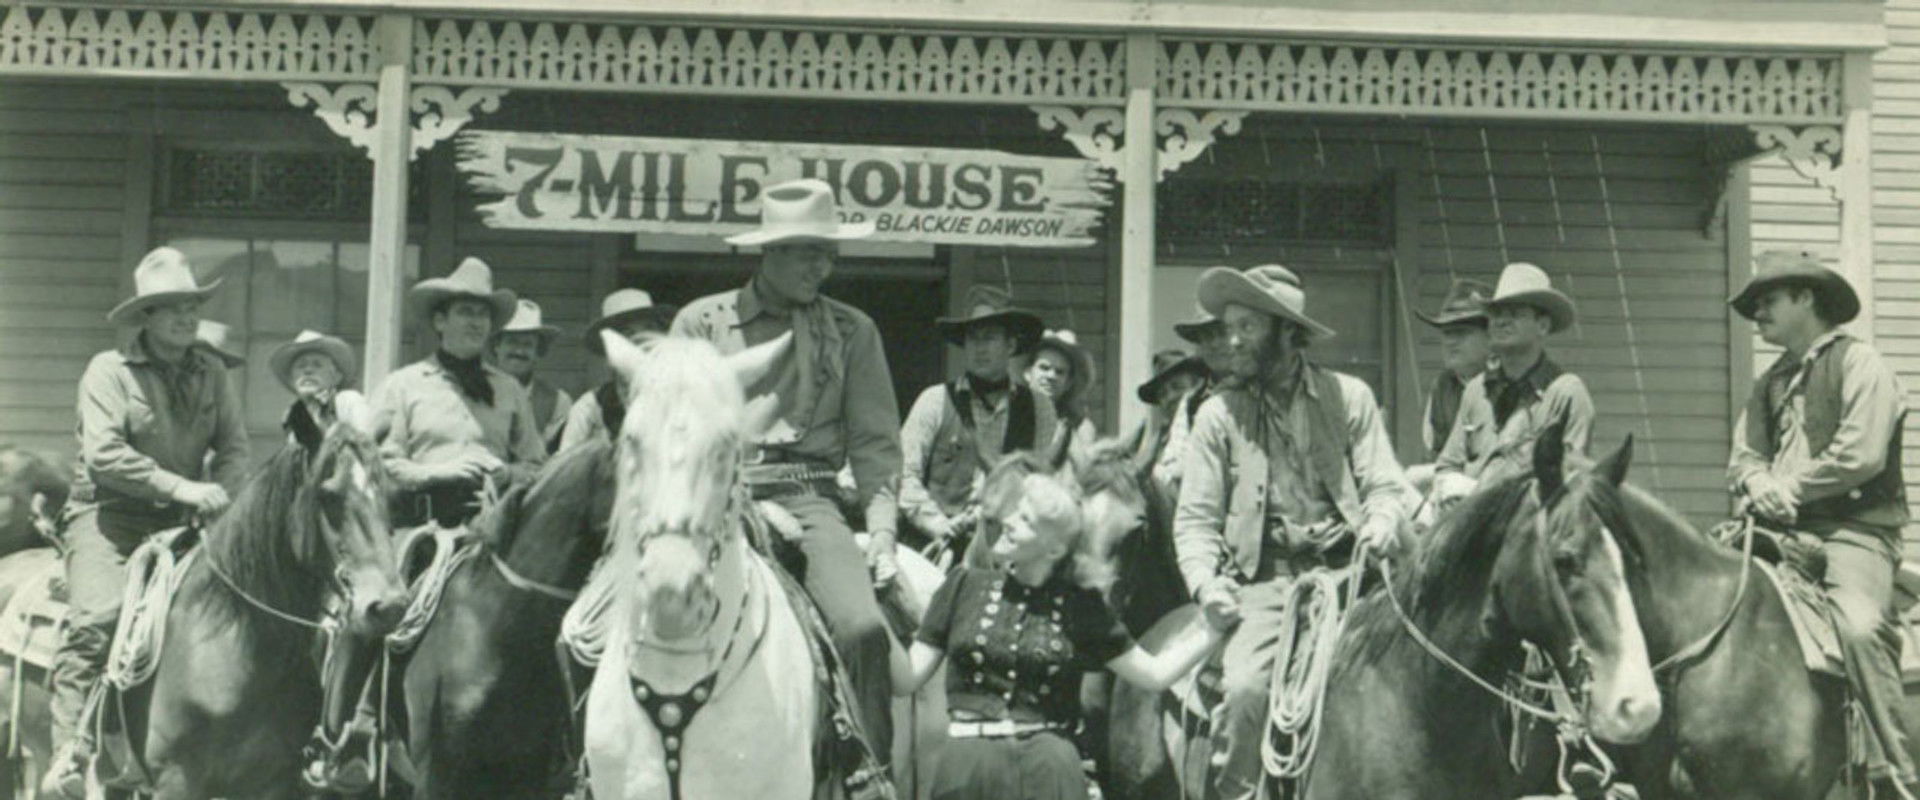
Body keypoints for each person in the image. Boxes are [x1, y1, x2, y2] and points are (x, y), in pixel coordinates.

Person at [671, 177, 903, 763]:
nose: (822, 267)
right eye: (807, 252)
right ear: (769, 251)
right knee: (617, 616)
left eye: (828, 253)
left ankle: (869, 774)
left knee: (862, 630)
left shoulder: (853, 330)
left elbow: (875, 442)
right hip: (712, 495)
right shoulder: (701, 323)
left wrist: (881, 531)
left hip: (809, 496)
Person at [1171, 264, 1416, 800]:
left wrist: (1380, 522)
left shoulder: (1349, 397)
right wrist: (1206, 585)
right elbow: (1195, 522)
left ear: (1286, 332)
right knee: (1245, 691)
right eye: (1229, 326)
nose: (1231, 340)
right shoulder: (1217, 415)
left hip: (1354, 575)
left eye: (1247, 327)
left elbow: (1384, 484)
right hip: (1266, 582)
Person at [44, 247, 251, 798]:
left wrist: (222, 496)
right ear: (146, 316)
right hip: (108, 517)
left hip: (184, 520)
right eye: (173, 306)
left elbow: (234, 448)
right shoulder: (108, 371)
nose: (186, 316)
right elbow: (105, 455)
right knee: (101, 616)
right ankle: (70, 749)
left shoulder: (212, 372)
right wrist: (182, 486)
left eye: (192, 305)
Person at [891, 458, 1224, 800]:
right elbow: (906, 679)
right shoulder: (962, 586)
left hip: (1049, 773)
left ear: (1054, 548)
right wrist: (872, 613)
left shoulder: (1082, 608)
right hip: (967, 770)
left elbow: (1154, 674)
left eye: (1025, 519)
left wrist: (1214, 627)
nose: (1008, 522)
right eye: (1015, 512)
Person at [1727, 250, 1915, 798]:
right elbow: (1744, 457)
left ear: (1806, 298)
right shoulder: (1770, 382)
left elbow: (1860, 454)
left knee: (1858, 626)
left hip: (1851, 532)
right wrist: (1757, 482)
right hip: (1775, 531)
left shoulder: (1860, 363)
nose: (1758, 314)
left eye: (1768, 301)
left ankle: (1895, 772)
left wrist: (1789, 487)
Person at [370, 257, 546, 529]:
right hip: (420, 527)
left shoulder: (509, 389)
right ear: (440, 321)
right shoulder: (402, 385)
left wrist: (506, 473)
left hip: (494, 529)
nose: (477, 322)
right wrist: (437, 473)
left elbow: (536, 466)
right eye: (466, 312)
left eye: (483, 314)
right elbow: (380, 464)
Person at [899, 285, 1055, 558]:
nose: (979, 348)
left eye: (989, 338)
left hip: (1007, 547)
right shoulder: (935, 400)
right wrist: (939, 526)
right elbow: (903, 475)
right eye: (972, 338)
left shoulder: (1039, 407)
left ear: (1010, 345)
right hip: (936, 547)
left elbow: (1043, 482)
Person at [1430, 262, 1593, 509]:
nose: (1501, 321)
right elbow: (1447, 466)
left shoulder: (1565, 394)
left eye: (1515, 313)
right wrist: (1450, 486)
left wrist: (1477, 493)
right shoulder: (1477, 390)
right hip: (1466, 523)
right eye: (1496, 313)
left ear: (1542, 325)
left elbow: (1567, 485)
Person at [556, 288, 677, 452]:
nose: (640, 342)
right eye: (628, 334)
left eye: (648, 331)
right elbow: (566, 463)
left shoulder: (679, 400)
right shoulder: (592, 407)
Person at [1405, 279, 1492, 492]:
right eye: (1446, 333)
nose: (1450, 341)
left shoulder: (1505, 383)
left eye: (1461, 332)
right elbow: (1435, 454)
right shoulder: (1443, 387)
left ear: (1490, 336)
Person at [1151, 302, 1231, 496]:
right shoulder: (1192, 403)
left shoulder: (1257, 389)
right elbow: (1175, 460)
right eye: (1206, 337)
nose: (1214, 344)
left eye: (1221, 334)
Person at [490, 298, 572, 452]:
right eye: (512, 342)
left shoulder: (557, 401)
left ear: (537, 351)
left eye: (527, 344)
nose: (519, 351)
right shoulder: (474, 391)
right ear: (497, 346)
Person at [269, 330, 370, 450]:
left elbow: (367, 444)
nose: (308, 371)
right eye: (301, 366)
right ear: (292, 380)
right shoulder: (293, 415)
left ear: (336, 377)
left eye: (317, 365)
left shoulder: (348, 401)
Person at [1026, 329, 1098, 471]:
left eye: (1059, 372)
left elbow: (1084, 472)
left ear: (1068, 383)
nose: (1051, 376)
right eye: (1044, 368)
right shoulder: (1009, 415)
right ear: (1028, 373)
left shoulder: (1080, 427)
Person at [1126, 349, 1207, 474]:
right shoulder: (1158, 443)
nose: (1170, 397)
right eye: (1163, 394)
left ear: (1195, 386)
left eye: (1177, 387)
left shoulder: (1207, 429)